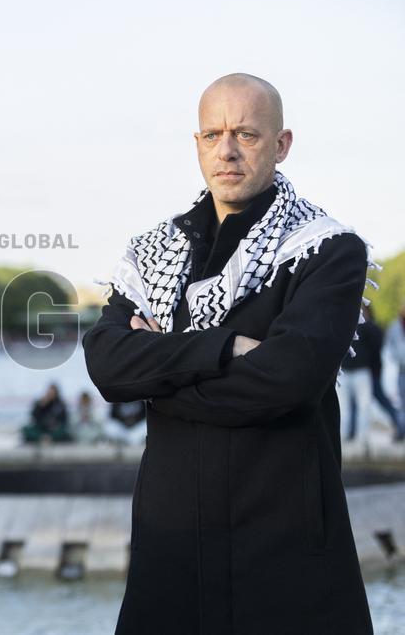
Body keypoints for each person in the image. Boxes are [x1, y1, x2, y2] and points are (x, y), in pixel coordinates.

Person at [83, 73, 373, 634]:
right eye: (212, 134)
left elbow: (288, 381)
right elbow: (107, 364)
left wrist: (159, 370)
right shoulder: (152, 252)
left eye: (246, 134)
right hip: (171, 552)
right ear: (196, 144)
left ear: (282, 144)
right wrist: (227, 349)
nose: (228, 150)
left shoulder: (328, 249)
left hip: (285, 552)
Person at [337, 305, 381, 443]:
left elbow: (376, 348)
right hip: (345, 372)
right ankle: (343, 438)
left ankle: (362, 438)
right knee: (344, 408)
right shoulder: (341, 324)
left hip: (361, 371)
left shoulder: (368, 328)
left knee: (363, 406)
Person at [386, 302, 405, 435]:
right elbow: (390, 345)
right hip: (402, 371)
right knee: (402, 403)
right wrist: (397, 356)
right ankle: (401, 430)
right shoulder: (395, 326)